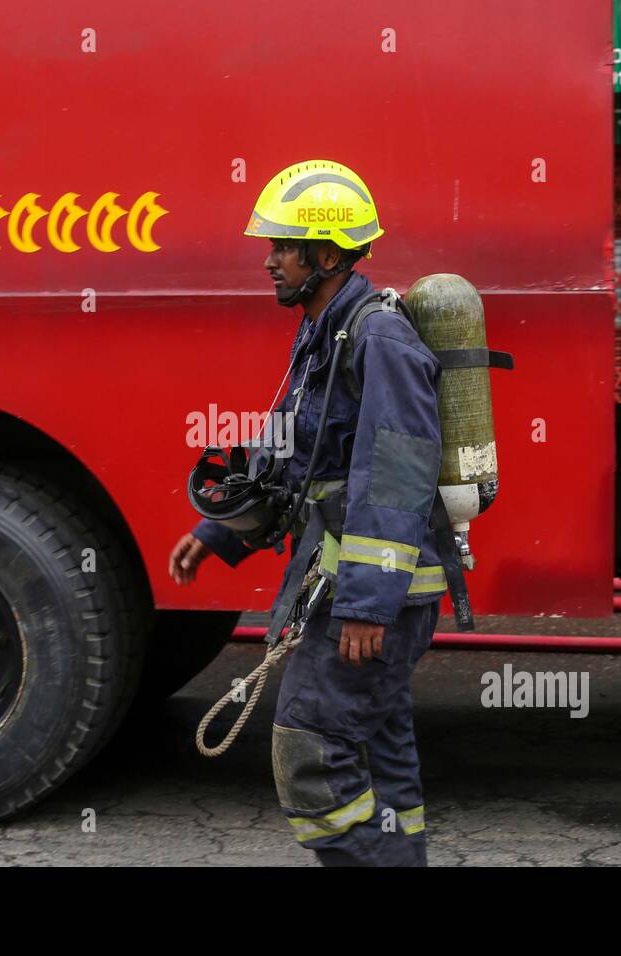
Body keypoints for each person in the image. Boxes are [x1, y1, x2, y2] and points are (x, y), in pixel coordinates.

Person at [169, 160, 448, 866]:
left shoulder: (377, 339)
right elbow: (295, 454)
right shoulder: (328, 331)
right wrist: (218, 533)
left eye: (282, 247)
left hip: (368, 594)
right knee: (379, 751)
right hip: (342, 579)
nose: (269, 261)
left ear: (325, 255)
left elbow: (397, 474)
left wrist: (367, 606)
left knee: (311, 753)